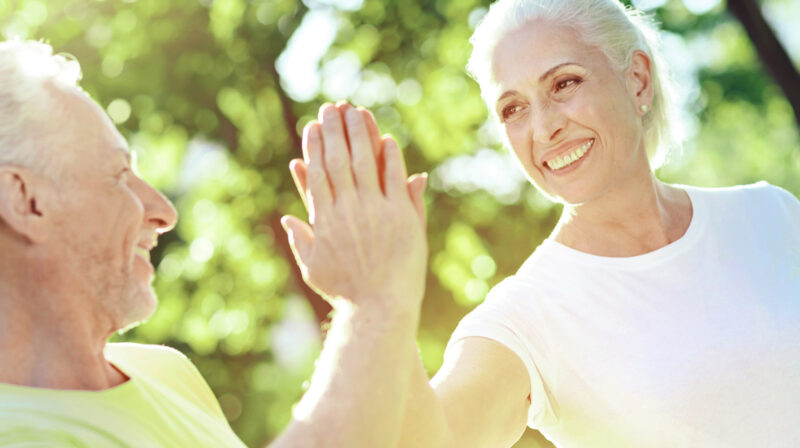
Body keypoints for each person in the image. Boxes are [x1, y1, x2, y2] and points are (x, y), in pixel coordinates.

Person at [287, 0, 800, 447]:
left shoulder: (769, 213)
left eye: (564, 83)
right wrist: (375, 303)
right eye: (513, 109)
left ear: (637, 80)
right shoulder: (526, 316)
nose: (544, 127)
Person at [0, 40, 428, 447]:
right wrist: (374, 302)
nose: (163, 211)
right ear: (25, 201)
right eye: (118, 176)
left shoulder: (165, 372)